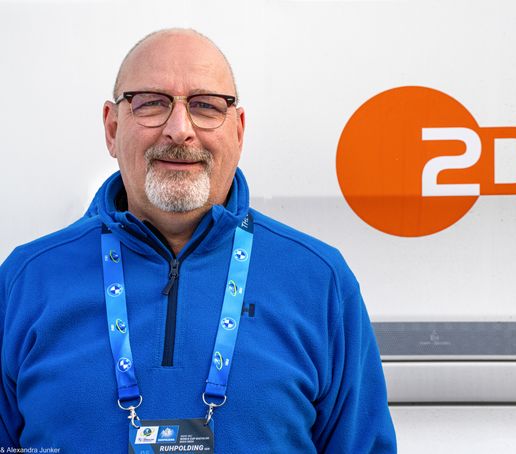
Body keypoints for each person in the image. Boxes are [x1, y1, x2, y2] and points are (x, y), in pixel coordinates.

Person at [0, 28, 396, 453]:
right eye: (151, 103)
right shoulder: (26, 280)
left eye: (206, 105)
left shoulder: (320, 281)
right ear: (112, 128)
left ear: (238, 132)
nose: (179, 130)